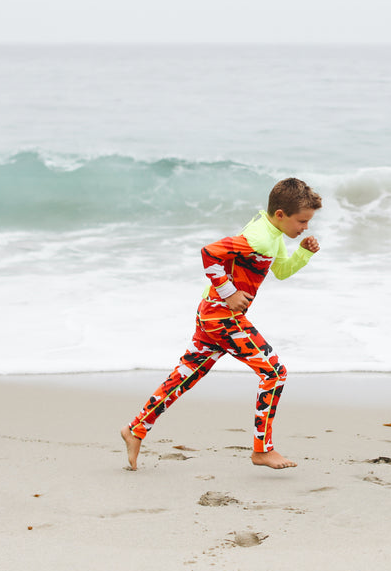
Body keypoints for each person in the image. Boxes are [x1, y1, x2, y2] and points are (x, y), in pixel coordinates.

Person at [120, 177, 322, 471]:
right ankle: (262, 450)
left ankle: (135, 428)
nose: (305, 228)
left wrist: (303, 253)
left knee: (186, 376)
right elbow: (209, 253)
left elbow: (281, 271)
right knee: (275, 373)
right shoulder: (260, 237)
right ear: (280, 214)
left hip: (210, 314)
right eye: (301, 222)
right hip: (221, 317)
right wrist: (229, 293)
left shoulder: (274, 236)